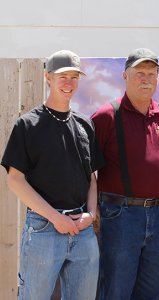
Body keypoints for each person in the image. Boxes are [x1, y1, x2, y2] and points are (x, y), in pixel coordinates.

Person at [1, 50, 101, 300]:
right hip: (44, 229)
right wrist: (55, 218)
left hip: (82, 230)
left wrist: (91, 214)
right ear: (47, 77)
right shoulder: (28, 125)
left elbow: (91, 177)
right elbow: (15, 180)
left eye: (74, 77)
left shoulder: (84, 124)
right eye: (62, 76)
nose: (69, 83)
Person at [91, 48, 159, 300]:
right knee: (116, 290)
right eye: (139, 73)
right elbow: (87, 169)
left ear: (158, 78)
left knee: (154, 291)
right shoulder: (106, 117)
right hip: (120, 216)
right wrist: (93, 209)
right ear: (125, 76)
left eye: (152, 73)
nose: (146, 78)